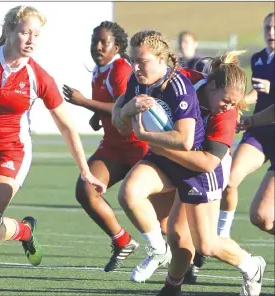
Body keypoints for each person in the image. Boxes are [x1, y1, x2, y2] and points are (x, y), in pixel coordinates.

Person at [0, 6, 106, 296]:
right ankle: (25, 231)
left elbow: (67, 127)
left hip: (12, 152)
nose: (31, 40)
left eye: (36, 34)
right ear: (9, 31)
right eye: (25, 32)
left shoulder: (39, 76)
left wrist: (85, 171)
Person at [128, 53, 266, 295]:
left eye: (234, 103)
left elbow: (207, 163)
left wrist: (162, 149)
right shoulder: (185, 82)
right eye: (226, 100)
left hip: (204, 171)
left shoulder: (227, 115)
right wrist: (123, 109)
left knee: (206, 244)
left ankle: (252, 266)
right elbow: (151, 80)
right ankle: (167, 275)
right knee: (134, 195)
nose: (230, 107)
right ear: (212, 85)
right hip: (174, 157)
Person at [111, 29, 205, 283]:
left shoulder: (178, 86)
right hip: (162, 157)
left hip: (191, 164)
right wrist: (128, 108)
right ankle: (157, 251)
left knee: (197, 241)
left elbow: (184, 140)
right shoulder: (137, 80)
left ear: (162, 60)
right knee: (129, 194)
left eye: (142, 60)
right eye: (133, 60)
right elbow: (119, 123)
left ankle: (249, 266)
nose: (135, 66)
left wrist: (142, 133)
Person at [62, 21, 151, 272]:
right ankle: (122, 240)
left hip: (138, 146)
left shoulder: (121, 69)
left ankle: (192, 253)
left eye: (104, 42)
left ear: (118, 46)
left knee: (159, 212)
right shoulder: (98, 70)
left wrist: (84, 103)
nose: (98, 47)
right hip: (113, 146)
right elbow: (110, 103)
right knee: (86, 190)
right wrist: (95, 116)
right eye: (95, 42)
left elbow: (124, 108)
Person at [218, 12, 274, 239]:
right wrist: (234, 102)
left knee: (262, 217)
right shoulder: (258, 58)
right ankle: (221, 237)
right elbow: (255, 95)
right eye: (267, 28)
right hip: (260, 133)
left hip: (263, 123)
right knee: (228, 180)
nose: (271, 32)